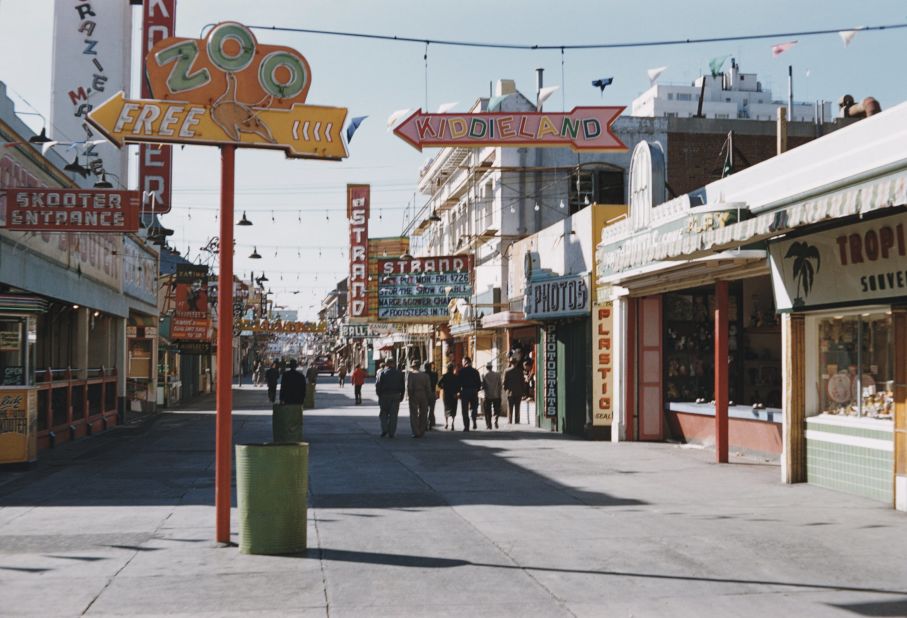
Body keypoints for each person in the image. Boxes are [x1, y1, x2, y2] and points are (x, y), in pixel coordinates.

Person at [375, 357, 405, 438]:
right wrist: (402, 395)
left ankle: (384, 429)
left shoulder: (381, 373)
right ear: (393, 364)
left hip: (384, 395)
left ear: (386, 364)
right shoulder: (399, 373)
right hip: (395, 395)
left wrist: (379, 395)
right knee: (393, 414)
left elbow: (378, 385)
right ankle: (391, 432)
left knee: (383, 413)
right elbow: (402, 386)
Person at [406, 360, 432, 438]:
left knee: (414, 414)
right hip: (423, 394)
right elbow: (428, 388)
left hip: (414, 394)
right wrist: (428, 396)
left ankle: (416, 431)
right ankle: (421, 431)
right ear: (420, 366)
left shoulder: (411, 375)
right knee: (423, 413)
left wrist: (409, 396)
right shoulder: (425, 375)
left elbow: (409, 387)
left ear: (413, 367)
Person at [457, 356, 482, 431]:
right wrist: (476, 390)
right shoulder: (476, 371)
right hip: (474, 391)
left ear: (465, 362)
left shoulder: (461, 371)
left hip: (465, 391)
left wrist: (458, 392)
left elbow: (459, 383)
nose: (462, 363)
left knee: (465, 410)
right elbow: (479, 383)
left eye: (462, 361)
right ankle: (474, 420)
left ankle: (466, 426)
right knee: (474, 407)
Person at [503, 358, 527, 424]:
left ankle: (510, 420)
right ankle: (517, 420)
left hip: (510, 392)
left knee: (510, 408)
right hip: (518, 392)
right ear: (516, 363)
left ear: (510, 363)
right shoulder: (520, 371)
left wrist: (506, 390)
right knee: (517, 407)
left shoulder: (507, 371)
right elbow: (523, 382)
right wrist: (523, 391)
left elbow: (504, 382)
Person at [437, 362, 459, 431]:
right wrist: (457, 392)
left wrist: (443, 387)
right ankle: (452, 423)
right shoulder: (456, 377)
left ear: (447, 369)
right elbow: (458, 386)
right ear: (453, 369)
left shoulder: (444, 376)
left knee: (446, 408)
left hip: (446, 395)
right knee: (453, 408)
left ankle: (446, 423)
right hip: (454, 394)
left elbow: (439, 384)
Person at [481, 361, 503, 429]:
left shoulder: (484, 375)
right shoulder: (497, 374)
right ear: (492, 367)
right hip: (496, 395)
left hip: (487, 395)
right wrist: (499, 393)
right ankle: (496, 418)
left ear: (487, 368)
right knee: (496, 409)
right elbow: (500, 385)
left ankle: (489, 425)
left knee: (487, 411)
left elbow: (482, 386)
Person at [423, 361, 439, 430]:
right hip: (432, 392)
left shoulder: (423, 374)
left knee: (424, 409)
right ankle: (430, 424)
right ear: (430, 367)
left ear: (425, 367)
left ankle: (425, 424)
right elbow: (436, 383)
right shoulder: (435, 374)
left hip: (425, 393)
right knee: (432, 410)